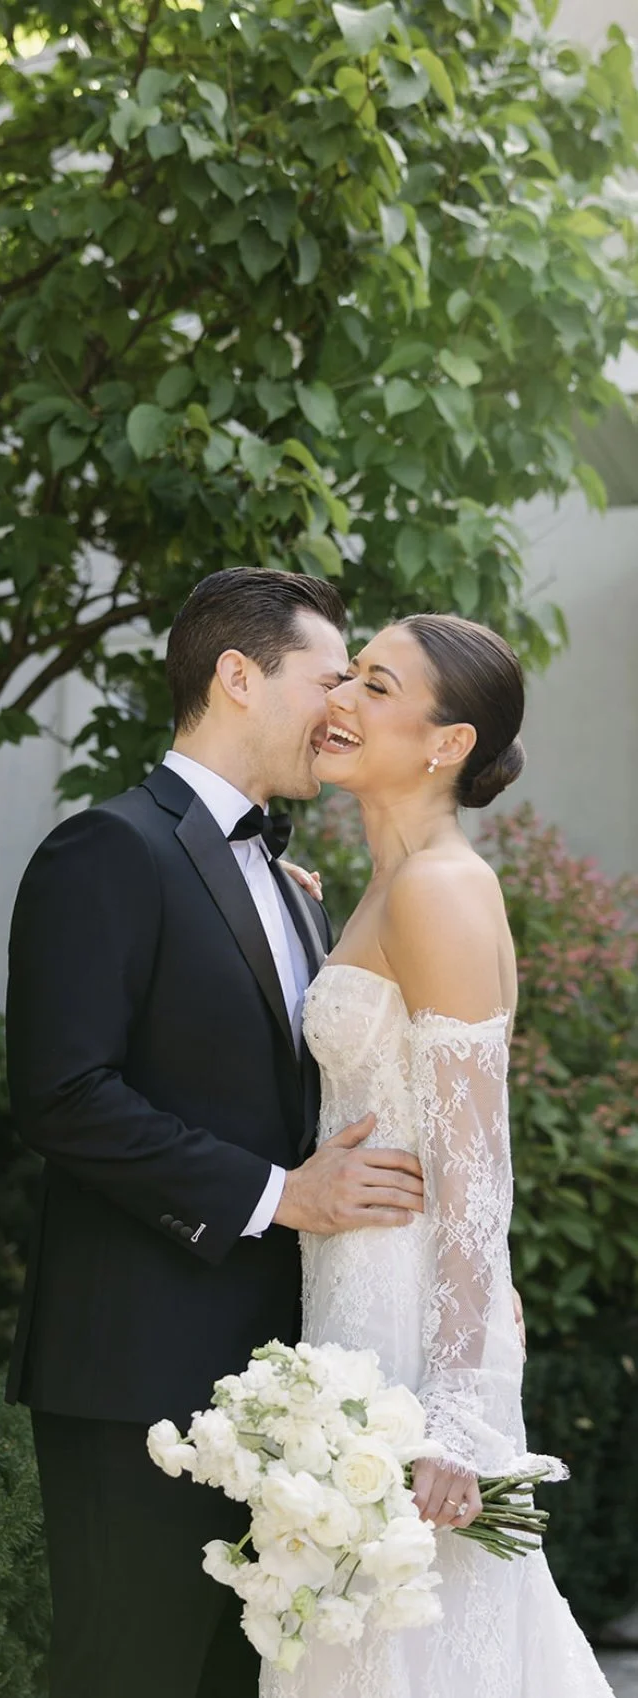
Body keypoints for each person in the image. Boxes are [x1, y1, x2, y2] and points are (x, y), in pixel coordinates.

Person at [4, 568, 426, 1698]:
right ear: (237, 677)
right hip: (132, 1375)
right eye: (327, 678)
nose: (343, 706)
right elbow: (62, 1095)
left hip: (276, 1387)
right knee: (123, 1673)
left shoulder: (291, 883)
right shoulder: (105, 851)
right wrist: (278, 1195)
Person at [261, 613, 609, 1698]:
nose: (341, 702)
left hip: (414, 1327)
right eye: (345, 677)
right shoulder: (384, 882)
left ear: (445, 742)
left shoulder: (440, 890)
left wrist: (457, 1411)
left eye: (375, 684)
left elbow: (476, 1177)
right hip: (352, 1307)